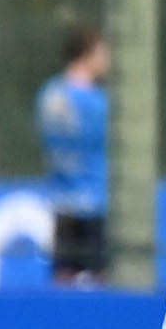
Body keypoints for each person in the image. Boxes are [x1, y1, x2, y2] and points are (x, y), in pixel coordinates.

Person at [41, 24, 112, 285]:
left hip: (62, 202)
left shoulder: (49, 94)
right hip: (93, 203)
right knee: (101, 282)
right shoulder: (96, 103)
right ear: (88, 55)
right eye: (103, 53)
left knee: (63, 280)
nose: (107, 61)